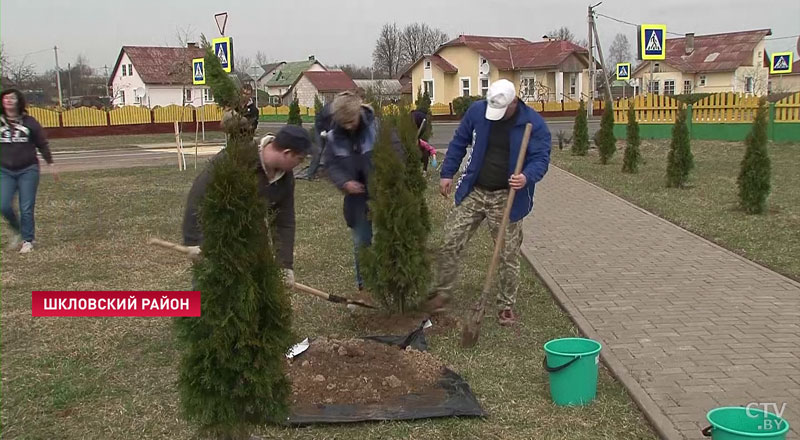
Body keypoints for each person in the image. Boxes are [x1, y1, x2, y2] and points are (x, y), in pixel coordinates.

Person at [423, 79, 552, 326]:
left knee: (508, 253)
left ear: (514, 102)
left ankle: (505, 305)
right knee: (451, 239)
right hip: (476, 189)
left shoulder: (533, 124)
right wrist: (447, 173)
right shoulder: (477, 111)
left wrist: (526, 176)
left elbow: (541, 158)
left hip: (508, 196)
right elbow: (459, 141)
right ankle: (442, 292)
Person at [182, 125, 312, 286]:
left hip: (250, 245)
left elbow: (283, 221)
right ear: (287, 153)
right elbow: (199, 197)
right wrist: (193, 242)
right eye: (299, 159)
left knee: (246, 294)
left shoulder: (285, 178)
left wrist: (285, 265)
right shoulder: (234, 159)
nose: (299, 164)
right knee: (209, 292)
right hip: (215, 241)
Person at [321, 91, 379, 292]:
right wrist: (345, 182)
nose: (348, 126)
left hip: (382, 190)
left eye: (351, 121)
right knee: (361, 243)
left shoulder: (376, 128)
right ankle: (366, 288)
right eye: (343, 122)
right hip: (357, 198)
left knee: (390, 237)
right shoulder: (333, 137)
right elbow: (330, 164)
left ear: (358, 113)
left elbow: (394, 152)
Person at [1, 88, 59, 254]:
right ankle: (17, 229)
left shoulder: (29, 122)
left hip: (28, 169)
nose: (9, 101)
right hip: (5, 170)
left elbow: (42, 143)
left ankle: (28, 240)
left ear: (19, 101)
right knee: (3, 205)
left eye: (12, 98)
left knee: (26, 206)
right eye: (6, 98)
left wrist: (51, 164)